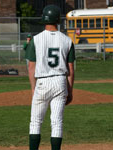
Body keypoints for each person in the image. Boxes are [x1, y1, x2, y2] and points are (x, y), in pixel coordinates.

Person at [26, 5, 75, 150]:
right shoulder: (67, 40)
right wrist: (70, 90)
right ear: (58, 20)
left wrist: (33, 87)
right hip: (60, 80)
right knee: (57, 122)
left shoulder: (36, 39)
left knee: (35, 121)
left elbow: (31, 67)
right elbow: (71, 68)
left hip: (42, 80)